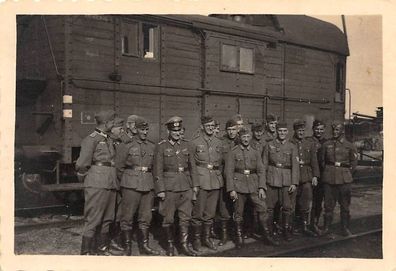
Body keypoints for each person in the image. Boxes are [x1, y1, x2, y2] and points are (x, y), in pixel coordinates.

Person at [225, 128, 278, 248]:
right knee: (238, 212)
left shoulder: (255, 151)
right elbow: (228, 172)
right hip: (238, 186)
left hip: (253, 185)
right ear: (240, 138)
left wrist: (261, 187)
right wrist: (231, 189)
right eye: (243, 137)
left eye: (248, 137)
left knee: (263, 208)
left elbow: (261, 170)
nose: (245, 139)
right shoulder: (233, 152)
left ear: (250, 137)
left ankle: (267, 235)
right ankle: (239, 238)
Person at [154, 116, 198, 256]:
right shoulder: (161, 146)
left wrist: (195, 186)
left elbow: (193, 168)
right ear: (169, 131)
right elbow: (158, 170)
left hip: (186, 186)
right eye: (174, 131)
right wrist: (160, 189)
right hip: (169, 187)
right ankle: (170, 246)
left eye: (179, 131)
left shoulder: (187, 145)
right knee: (168, 218)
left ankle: (184, 245)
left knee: (185, 217)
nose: (177, 133)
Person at [76, 110, 118, 255]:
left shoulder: (108, 139)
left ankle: (102, 249)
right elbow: (82, 164)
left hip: (110, 182)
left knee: (108, 218)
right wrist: (88, 179)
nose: (113, 125)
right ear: (105, 123)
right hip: (97, 182)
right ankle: (87, 252)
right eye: (112, 122)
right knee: (93, 218)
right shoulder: (91, 139)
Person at [116, 117, 160, 256]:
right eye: (142, 129)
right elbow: (119, 167)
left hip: (147, 184)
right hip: (131, 185)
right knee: (127, 217)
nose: (145, 132)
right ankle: (127, 247)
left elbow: (155, 168)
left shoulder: (152, 146)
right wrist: (126, 183)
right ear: (136, 130)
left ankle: (144, 246)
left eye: (147, 130)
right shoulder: (126, 145)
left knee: (145, 217)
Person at [190, 116, 224, 251]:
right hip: (201, 179)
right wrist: (195, 183)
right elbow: (192, 164)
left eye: (212, 125)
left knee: (210, 213)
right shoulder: (194, 142)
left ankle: (207, 238)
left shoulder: (218, 142)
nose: (210, 128)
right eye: (207, 125)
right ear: (202, 126)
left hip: (215, 180)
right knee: (198, 213)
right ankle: (196, 240)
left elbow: (220, 162)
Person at [263, 121, 299, 241]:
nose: (282, 133)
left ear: (287, 132)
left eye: (284, 131)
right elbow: (264, 165)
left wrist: (294, 182)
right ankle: (270, 231)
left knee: (287, 207)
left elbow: (295, 166)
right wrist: (263, 184)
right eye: (280, 131)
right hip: (272, 179)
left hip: (286, 181)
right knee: (269, 208)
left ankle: (285, 230)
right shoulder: (269, 145)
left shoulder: (292, 146)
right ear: (276, 131)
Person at [320, 121, 358, 237]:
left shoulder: (350, 145)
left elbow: (354, 163)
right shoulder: (326, 144)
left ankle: (345, 228)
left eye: (337, 130)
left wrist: (346, 173)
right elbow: (322, 161)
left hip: (344, 180)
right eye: (333, 130)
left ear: (342, 131)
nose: (335, 132)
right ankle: (327, 228)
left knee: (345, 205)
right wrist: (327, 172)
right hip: (329, 179)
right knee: (328, 206)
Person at [290, 120, 320, 237]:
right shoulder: (290, 143)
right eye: (299, 130)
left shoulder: (309, 143)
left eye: (303, 130)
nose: (301, 133)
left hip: (306, 176)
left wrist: (315, 176)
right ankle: (292, 227)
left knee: (305, 203)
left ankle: (304, 226)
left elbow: (314, 161)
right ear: (295, 130)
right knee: (292, 203)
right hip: (294, 177)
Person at [216, 118, 239, 246]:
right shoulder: (221, 142)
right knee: (224, 208)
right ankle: (224, 235)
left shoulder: (242, 141)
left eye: (233, 129)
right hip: (224, 179)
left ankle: (238, 232)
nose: (231, 132)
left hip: (238, 179)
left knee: (238, 207)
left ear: (237, 130)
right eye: (229, 130)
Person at [306, 119, 327, 233]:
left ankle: (314, 223)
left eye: (321, 129)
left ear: (324, 130)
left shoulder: (326, 142)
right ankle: (303, 224)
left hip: (322, 177)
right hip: (310, 175)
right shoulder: (308, 141)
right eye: (317, 129)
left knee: (318, 201)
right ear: (313, 129)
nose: (319, 131)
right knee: (305, 201)